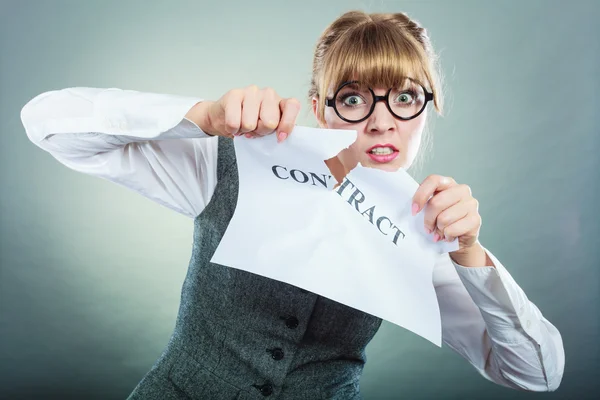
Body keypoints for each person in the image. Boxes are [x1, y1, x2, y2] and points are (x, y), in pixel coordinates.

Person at [20, 10, 564, 400]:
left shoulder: (428, 233)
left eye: (403, 96)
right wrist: (201, 115)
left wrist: (472, 254)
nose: (381, 121)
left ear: (428, 106)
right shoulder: (231, 163)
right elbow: (47, 123)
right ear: (322, 108)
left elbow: (537, 374)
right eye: (353, 98)